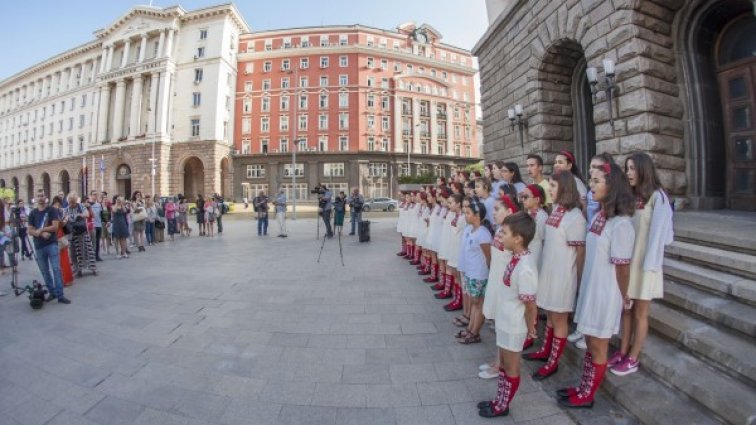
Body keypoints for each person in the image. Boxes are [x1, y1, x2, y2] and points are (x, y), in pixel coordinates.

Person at [560, 162, 635, 408]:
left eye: (596, 181)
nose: (590, 186)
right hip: (592, 288)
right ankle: (583, 385)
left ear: (612, 187)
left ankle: (588, 395)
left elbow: (622, 268)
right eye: (591, 180)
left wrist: (625, 297)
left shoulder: (622, 224)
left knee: (598, 345)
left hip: (606, 292)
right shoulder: (601, 216)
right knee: (590, 342)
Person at [611, 152, 674, 376]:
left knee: (639, 313)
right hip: (629, 263)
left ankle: (633, 357)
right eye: (626, 168)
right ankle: (622, 350)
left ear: (643, 170)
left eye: (632, 169)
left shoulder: (658, 197)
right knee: (626, 310)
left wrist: (651, 264)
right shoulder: (631, 196)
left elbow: (661, 236)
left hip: (646, 265)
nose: (628, 173)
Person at [525, 171, 586, 381]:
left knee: (559, 319)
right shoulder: (557, 210)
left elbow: (579, 252)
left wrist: (579, 281)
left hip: (563, 276)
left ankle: (553, 362)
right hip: (549, 271)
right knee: (550, 316)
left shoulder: (575, 216)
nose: (549, 189)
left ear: (565, 187)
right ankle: (545, 351)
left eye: (552, 185)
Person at [477, 212, 538, 418]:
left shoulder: (526, 268)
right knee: (503, 366)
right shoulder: (514, 257)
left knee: (511, 367)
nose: (500, 236)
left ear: (518, 238)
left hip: (514, 325)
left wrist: (531, 328)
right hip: (504, 319)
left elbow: (530, 306)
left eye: (504, 232)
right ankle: (499, 400)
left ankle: (503, 406)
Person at [479, 194, 519, 380]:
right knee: (497, 324)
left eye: (497, 209)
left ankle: (500, 365)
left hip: (505, 285)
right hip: (495, 280)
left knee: (502, 325)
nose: (492, 213)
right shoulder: (500, 229)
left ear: (510, 211)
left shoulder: (513, 234)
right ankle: (498, 361)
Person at [455, 197, 493, 345]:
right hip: (471, 272)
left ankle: (475, 332)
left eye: (468, 212)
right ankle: (471, 329)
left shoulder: (483, 233)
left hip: (479, 274)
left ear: (477, 216)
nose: (466, 215)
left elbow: (488, 257)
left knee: (479, 303)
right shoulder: (471, 230)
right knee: (475, 303)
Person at [27, 190, 70, 304]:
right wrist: (40, 233)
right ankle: (52, 292)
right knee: (45, 271)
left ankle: (60, 295)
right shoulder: (33, 213)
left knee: (56, 269)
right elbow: (30, 230)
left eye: (42, 196)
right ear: (35, 198)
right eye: (38, 196)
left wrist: (42, 229)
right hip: (39, 246)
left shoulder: (52, 210)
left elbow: (55, 227)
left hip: (51, 244)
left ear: (46, 197)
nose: (40, 198)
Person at [66, 193, 97, 276]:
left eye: (73, 202)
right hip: (72, 234)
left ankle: (93, 268)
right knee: (74, 253)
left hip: (82, 233)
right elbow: (64, 219)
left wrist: (79, 215)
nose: (71, 204)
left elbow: (87, 214)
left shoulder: (80, 206)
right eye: (70, 202)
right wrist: (66, 219)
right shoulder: (67, 209)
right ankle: (77, 270)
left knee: (88, 250)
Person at [50, 196, 74, 286]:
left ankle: (64, 279)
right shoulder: (55, 211)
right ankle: (65, 280)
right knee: (63, 259)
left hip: (57, 235)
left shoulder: (51, 210)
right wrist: (65, 220)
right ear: (58, 203)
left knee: (61, 259)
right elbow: (60, 224)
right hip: (59, 235)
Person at [89, 192, 104, 261]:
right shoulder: (88, 205)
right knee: (92, 241)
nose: (95, 196)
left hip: (99, 225)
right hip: (92, 225)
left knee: (97, 241)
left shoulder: (99, 205)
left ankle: (97, 255)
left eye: (96, 194)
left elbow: (101, 214)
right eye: (94, 194)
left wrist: (105, 221)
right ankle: (91, 256)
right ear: (91, 196)